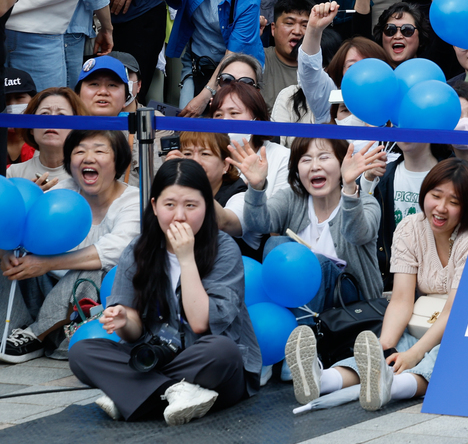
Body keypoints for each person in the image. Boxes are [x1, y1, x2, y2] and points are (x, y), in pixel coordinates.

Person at [68, 159, 259, 425]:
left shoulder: (224, 248)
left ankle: (132, 392)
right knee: (81, 353)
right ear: (155, 206)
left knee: (223, 351)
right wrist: (124, 319)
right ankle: (173, 393)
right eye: (170, 205)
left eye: (191, 205)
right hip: (152, 357)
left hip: (208, 365)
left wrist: (186, 258)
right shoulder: (138, 250)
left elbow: (201, 323)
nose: (179, 215)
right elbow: (133, 332)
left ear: (207, 207)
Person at [286, 157, 468, 411]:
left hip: (465, 326)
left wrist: (414, 354)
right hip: (422, 321)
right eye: (436, 195)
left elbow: (453, 311)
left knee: (443, 354)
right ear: (425, 192)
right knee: (395, 348)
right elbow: (402, 299)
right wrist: (384, 347)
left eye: (454, 202)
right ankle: (322, 379)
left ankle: (389, 387)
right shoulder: (410, 228)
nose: (441, 208)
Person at [0, 125, 141, 363]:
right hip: (46, 289)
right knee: (11, 257)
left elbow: (115, 251)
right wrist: (6, 253)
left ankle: (36, 335)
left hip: (85, 308)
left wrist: (45, 264)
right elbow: (27, 230)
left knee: (95, 266)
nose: (88, 158)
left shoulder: (133, 201)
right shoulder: (64, 191)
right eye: (79, 151)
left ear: (118, 161)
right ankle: (12, 330)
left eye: (99, 151)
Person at [230, 136, 387, 312]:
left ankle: (305, 328)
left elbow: (357, 235)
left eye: (324, 157)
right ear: (297, 169)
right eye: (306, 159)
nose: (315, 166)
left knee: (317, 263)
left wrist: (350, 188)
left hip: (352, 305)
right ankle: (292, 328)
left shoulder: (365, 203)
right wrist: (256, 187)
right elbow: (258, 224)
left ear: (343, 164)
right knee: (275, 244)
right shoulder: (291, 198)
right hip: (296, 299)